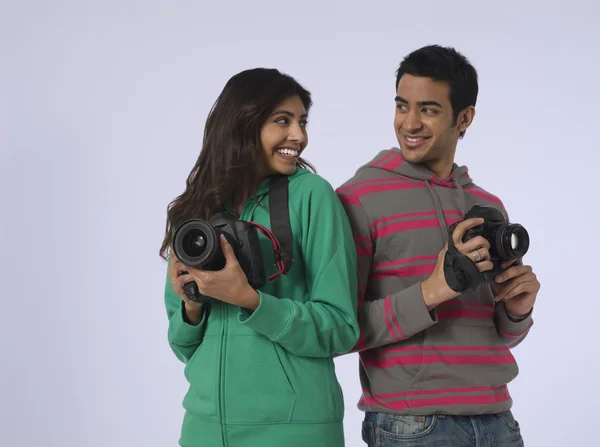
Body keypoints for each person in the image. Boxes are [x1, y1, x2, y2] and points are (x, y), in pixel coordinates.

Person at [336, 45, 541, 447]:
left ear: (464, 118)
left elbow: (496, 335)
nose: (409, 123)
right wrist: (432, 292)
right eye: (401, 106)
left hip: (498, 420)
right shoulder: (360, 197)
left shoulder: (487, 204)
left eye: (428, 110)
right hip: (413, 426)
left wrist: (518, 312)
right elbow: (342, 329)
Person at [159, 68, 360, 447]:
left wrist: (250, 300)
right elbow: (183, 345)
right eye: (282, 121)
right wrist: (191, 308)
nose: (298, 136)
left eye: (302, 122)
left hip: (293, 431)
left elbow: (340, 326)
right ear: (242, 125)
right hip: (205, 430)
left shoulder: (313, 196)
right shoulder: (199, 209)